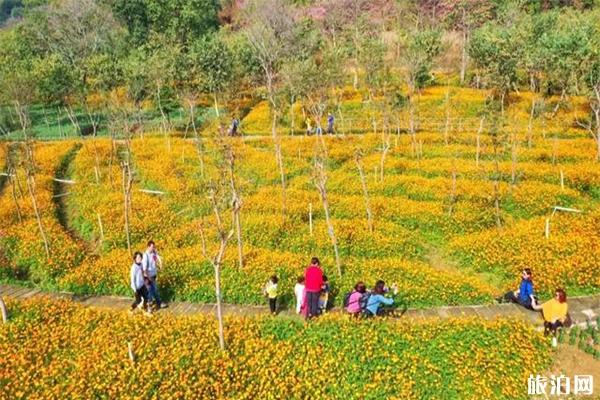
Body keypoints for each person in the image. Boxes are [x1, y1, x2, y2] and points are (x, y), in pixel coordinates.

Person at [142, 240, 167, 309]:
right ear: (148, 247)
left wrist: (160, 264)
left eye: (154, 247)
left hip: (153, 274)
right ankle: (150, 304)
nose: (153, 248)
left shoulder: (153, 253)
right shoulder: (145, 256)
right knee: (149, 290)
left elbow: (157, 258)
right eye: (152, 247)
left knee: (154, 289)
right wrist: (148, 277)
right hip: (147, 276)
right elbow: (144, 269)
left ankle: (156, 302)